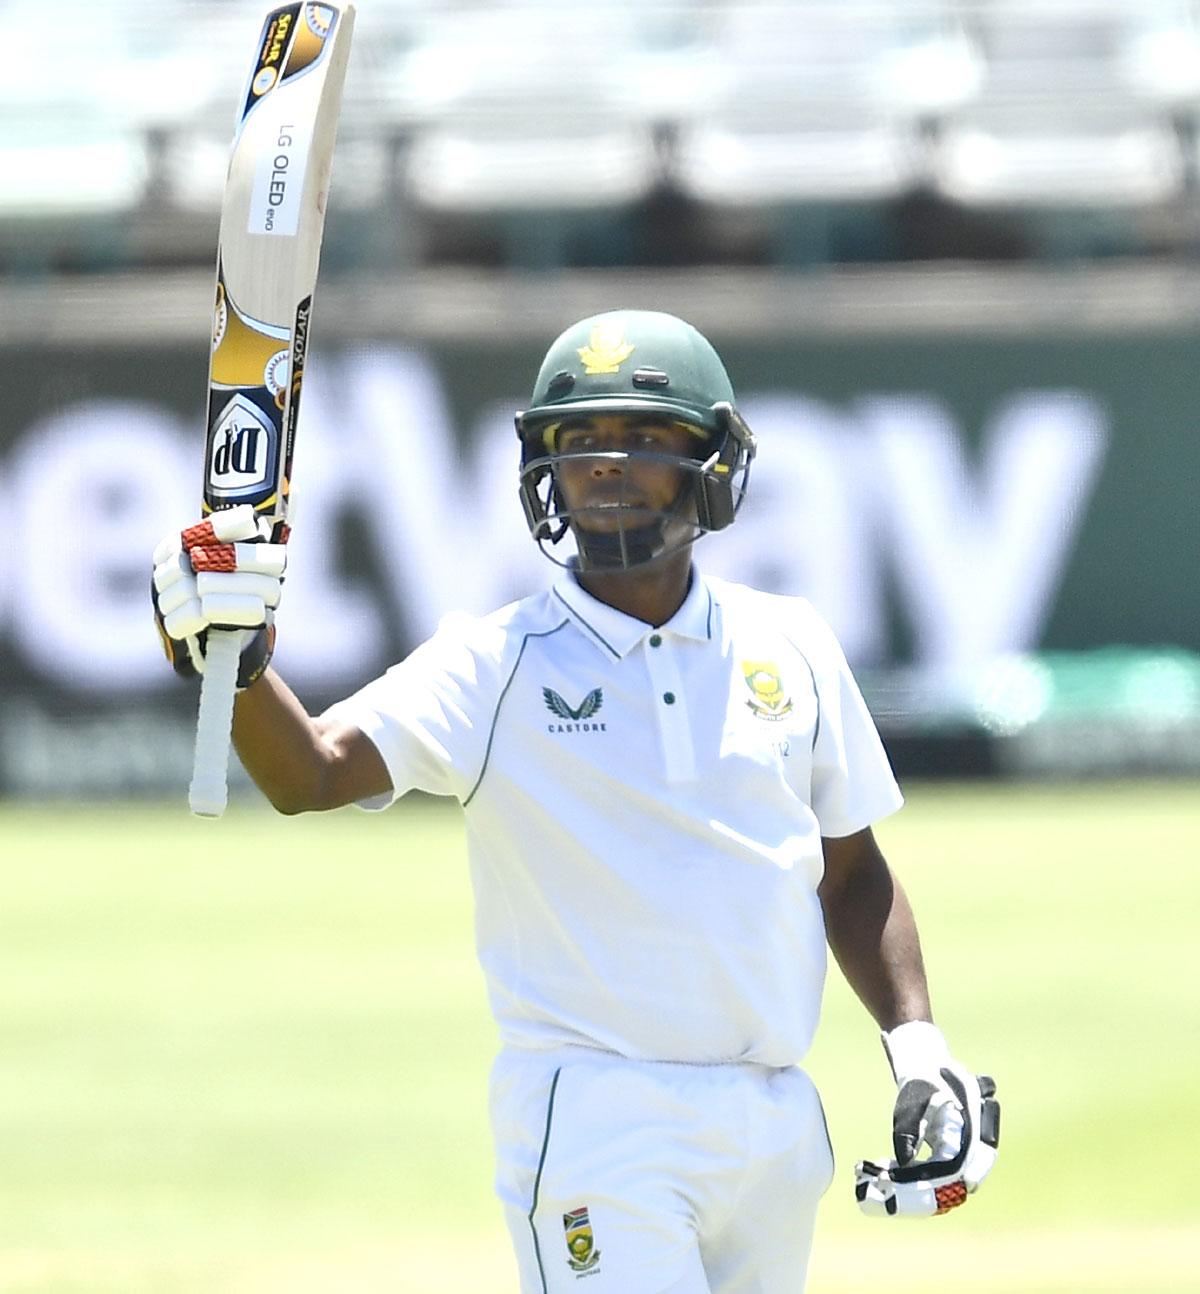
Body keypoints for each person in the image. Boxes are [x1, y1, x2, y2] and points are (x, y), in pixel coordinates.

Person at [153, 310, 999, 1293]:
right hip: (599, 1119)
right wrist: (233, 657)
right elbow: (310, 772)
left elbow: (849, 873)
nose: (606, 465)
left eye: (643, 440)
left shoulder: (792, 642)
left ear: (713, 461)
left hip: (772, 1122)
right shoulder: (497, 661)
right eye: (578, 443)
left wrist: (918, 1046)